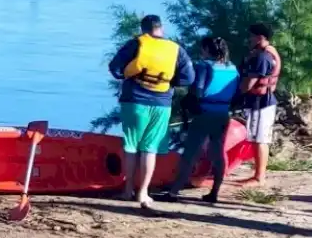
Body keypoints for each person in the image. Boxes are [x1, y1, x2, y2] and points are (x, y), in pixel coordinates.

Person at [108, 14, 195, 208]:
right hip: (162, 103)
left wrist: (126, 77)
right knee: (150, 148)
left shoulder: (137, 44)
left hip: (134, 102)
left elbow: (114, 68)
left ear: (143, 29)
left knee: (131, 146)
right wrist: (170, 83)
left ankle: (127, 190)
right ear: (160, 28)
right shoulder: (176, 49)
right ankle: (143, 193)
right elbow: (189, 77)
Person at [160, 36, 239, 203]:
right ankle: (214, 192)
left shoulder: (204, 67)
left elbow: (198, 91)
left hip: (204, 113)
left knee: (190, 153)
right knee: (217, 152)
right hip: (223, 114)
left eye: (202, 49)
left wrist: (188, 101)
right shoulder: (232, 68)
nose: (201, 52)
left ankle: (173, 192)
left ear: (207, 50)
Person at [238, 22, 280, 186]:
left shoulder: (263, 56)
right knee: (256, 138)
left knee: (261, 139)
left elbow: (251, 82)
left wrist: (236, 94)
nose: (249, 39)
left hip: (263, 102)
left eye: (251, 36)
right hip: (259, 101)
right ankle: (257, 175)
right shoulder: (263, 53)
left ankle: (259, 177)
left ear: (260, 37)